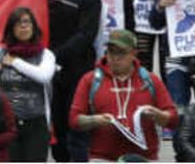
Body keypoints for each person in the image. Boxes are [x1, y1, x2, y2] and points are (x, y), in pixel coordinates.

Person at [69, 28, 177, 161]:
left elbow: (173, 119)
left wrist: (158, 115)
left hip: (143, 158)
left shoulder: (150, 80)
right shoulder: (90, 80)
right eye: (111, 52)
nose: (115, 58)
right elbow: (74, 119)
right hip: (102, 157)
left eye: (122, 53)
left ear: (134, 53)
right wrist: (95, 120)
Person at [48, 0, 102, 162]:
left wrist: (54, 55)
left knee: (76, 128)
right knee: (57, 127)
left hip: (78, 73)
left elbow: (85, 36)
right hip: (50, 72)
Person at [0, 7, 55, 162]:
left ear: (33, 27)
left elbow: (44, 76)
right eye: (18, 23)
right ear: (11, 29)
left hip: (36, 124)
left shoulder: (46, 54)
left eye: (27, 22)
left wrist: (15, 62)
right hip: (6, 125)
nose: (23, 26)